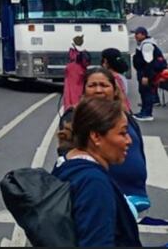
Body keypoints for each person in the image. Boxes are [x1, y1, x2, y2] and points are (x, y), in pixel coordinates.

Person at [56, 67, 148, 214]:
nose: (98, 90)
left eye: (104, 85)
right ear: (84, 90)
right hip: (104, 195)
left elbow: (139, 148)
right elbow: (70, 155)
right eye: (92, 85)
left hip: (135, 195)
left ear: (114, 90)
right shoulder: (75, 117)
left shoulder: (124, 116)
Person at [52, 96, 141, 247]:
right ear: (96, 136)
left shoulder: (67, 161)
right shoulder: (94, 183)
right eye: (122, 133)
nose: (129, 140)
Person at [132, 26, 164, 121]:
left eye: (137, 34)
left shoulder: (147, 45)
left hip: (146, 73)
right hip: (144, 72)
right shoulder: (143, 44)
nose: (135, 36)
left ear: (143, 34)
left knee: (146, 92)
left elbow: (149, 62)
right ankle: (143, 111)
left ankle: (147, 113)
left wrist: (146, 76)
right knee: (143, 92)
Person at [62, 34, 91, 112]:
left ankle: (70, 107)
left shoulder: (72, 52)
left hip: (72, 72)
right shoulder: (83, 53)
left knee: (69, 92)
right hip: (79, 73)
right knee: (78, 91)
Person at [100, 47, 133, 112]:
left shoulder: (111, 77)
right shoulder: (120, 76)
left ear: (105, 61)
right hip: (124, 108)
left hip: (114, 110)